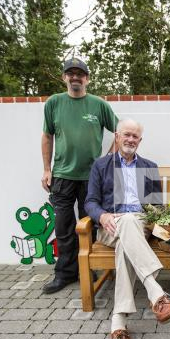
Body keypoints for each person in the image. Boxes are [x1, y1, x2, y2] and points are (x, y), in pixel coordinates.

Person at [85, 119, 170, 339]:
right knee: (124, 224)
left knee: (129, 224)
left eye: (135, 136)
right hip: (110, 226)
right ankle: (156, 294)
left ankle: (119, 325)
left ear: (140, 140)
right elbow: (90, 202)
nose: (130, 139)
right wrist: (102, 215)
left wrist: (165, 217)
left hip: (139, 225)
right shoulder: (101, 165)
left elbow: (157, 205)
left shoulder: (149, 166)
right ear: (117, 136)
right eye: (126, 134)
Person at [41, 57, 117, 294]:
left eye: (80, 74)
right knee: (64, 228)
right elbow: (47, 136)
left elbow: (121, 132)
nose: (75, 77)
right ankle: (65, 274)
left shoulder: (99, 105)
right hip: (62, 176)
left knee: (90, 227)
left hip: (91, 178)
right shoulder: (53, 103)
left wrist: (105, 162)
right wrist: (46, 169)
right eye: (70, 73)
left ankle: (90, 269)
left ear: (87, 78)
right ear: (64, 77)